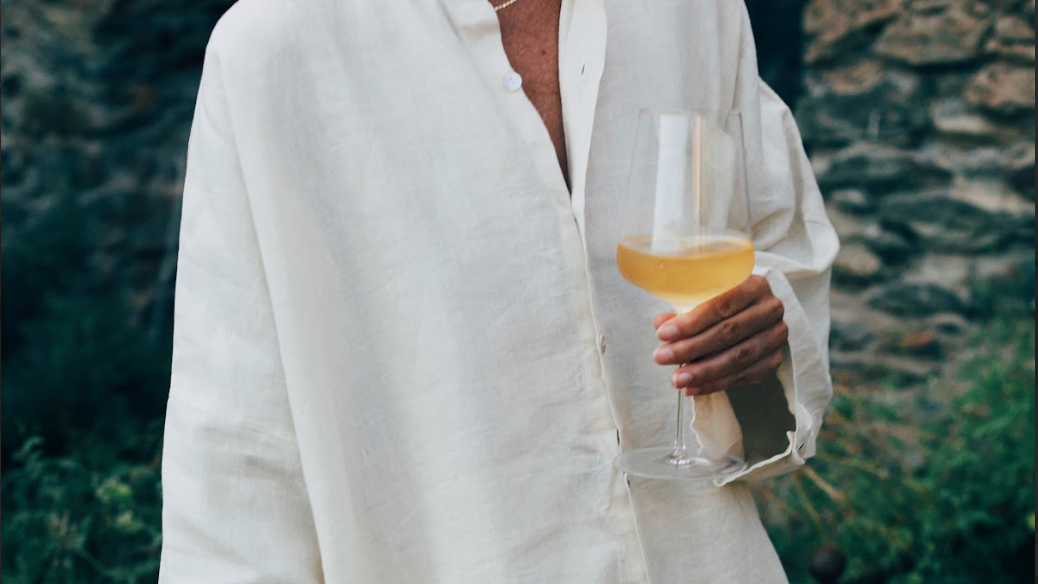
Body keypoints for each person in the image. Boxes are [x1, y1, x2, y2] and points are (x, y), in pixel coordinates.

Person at [158, 0, 839, 582]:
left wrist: (762, 341)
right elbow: (236, 474)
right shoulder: (274, 50)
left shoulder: (692, 11)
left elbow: (781, 252)